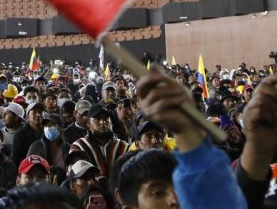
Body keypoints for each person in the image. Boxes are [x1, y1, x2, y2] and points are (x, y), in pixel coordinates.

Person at [133, 70, 244, 209]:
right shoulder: (133, 165)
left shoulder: (217, 158)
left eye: (176, 189)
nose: (174, 199)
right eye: (158, 193)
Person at [69, 105, 129, 180]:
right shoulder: (79, 147)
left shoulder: (123, 146)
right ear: (88, 125)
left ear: (112, 123)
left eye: (107, 119)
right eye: (96, 120)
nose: (102, 122)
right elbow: (77, 176)